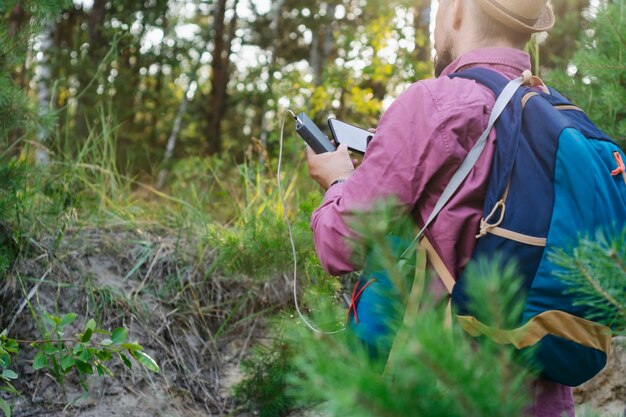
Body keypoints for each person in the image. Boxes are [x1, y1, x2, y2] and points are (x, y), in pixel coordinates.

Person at [305, 0, 575, 416]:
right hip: (545, 394)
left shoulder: (435, 104)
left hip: (446, 387)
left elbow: (339, 242)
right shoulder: (561, 117)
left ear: (457, 11)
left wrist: (339, 179)